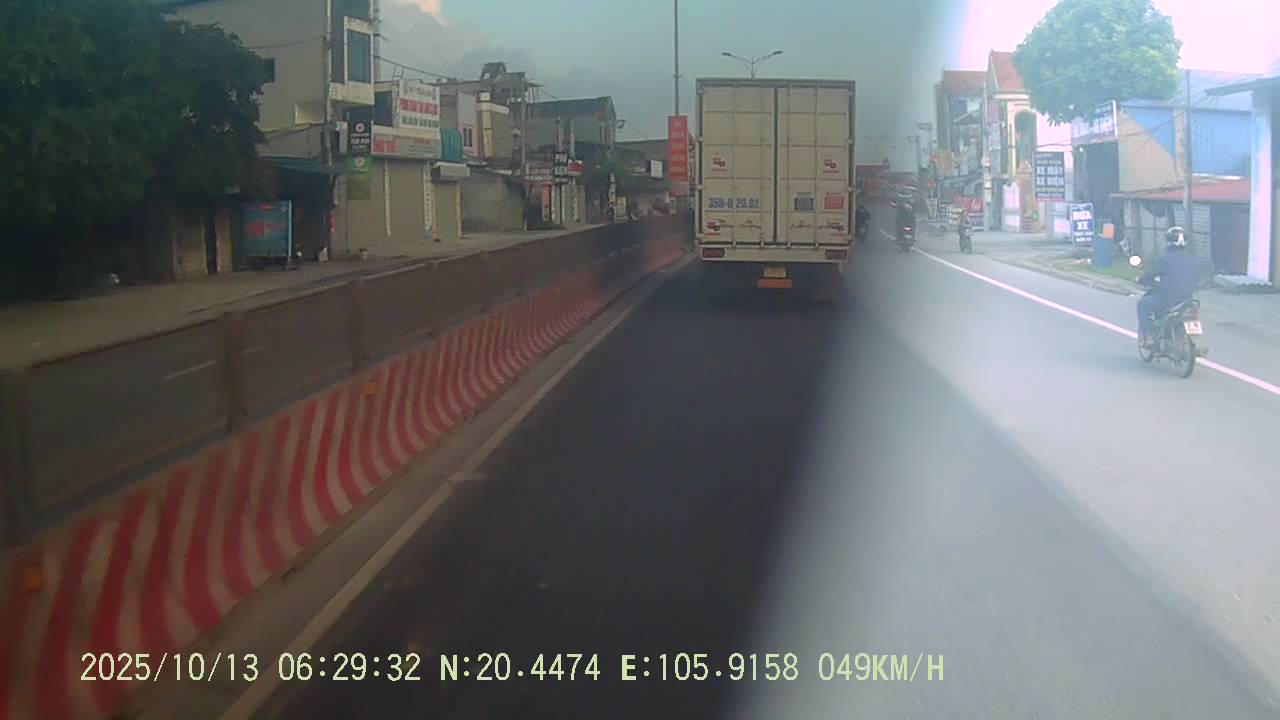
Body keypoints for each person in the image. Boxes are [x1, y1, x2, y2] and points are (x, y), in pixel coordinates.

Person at [1137, 226, 1199, 346]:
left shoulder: (1163, 259)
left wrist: (1141, 279)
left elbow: (1150, 276)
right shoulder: (1193, 260)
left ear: (1169, 242)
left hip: (1167, 300)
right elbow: (1196, 279)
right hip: (1188, 300)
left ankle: (1147, 337)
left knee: (1142, 305)